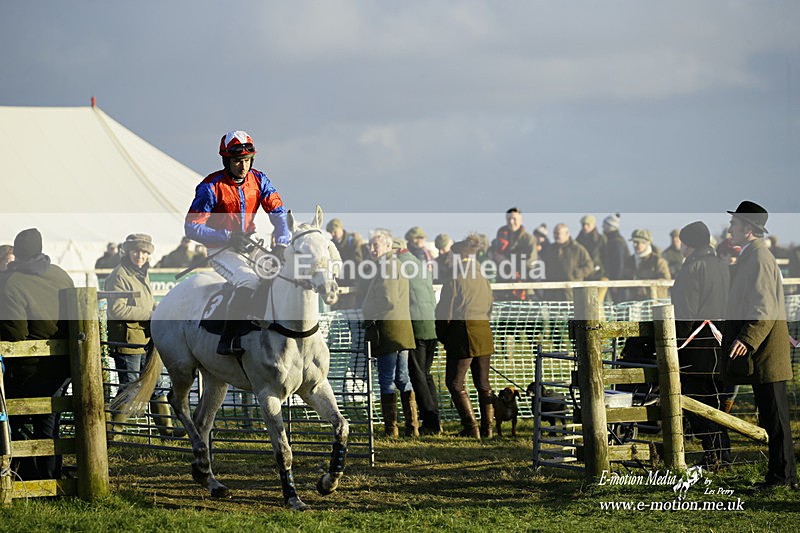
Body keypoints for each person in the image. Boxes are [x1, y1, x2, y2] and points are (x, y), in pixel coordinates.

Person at [185, 130, 291, 356]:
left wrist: (282, 243)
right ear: (226, 161)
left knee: (281, 275)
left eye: (246, 161)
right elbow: (191, 227)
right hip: (220, 250)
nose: (243, 167)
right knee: (249, 281)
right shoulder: (210, 186)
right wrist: (227, 236)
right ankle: (227, 339)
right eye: (236, 161)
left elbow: (279, 213)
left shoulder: (260, 180)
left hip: (250, 244)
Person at [722, 201, 797, 489]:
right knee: (772, 419)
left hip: (766, 353)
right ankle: (783, 477)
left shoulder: (759, 259)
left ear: (749, 230)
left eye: (735, 224)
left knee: (776, 421)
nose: (730, 229)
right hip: (764, 354)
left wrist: (746, 339)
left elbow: (764, 308)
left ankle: (782, 478)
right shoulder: (751, 257)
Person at [0, 228, 74, 480]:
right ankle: (50, 476)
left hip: (27, 369)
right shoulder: (61, 275)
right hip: (63, 366)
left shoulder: (13, 283)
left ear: (17, 253)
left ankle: (21, 473)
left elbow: (16, 331)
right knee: (49, 423)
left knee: (13, 419)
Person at [104, 234, 182, 438]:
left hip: (148, 339)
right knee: (130, 387)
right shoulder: (119, 275)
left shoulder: (141, 273)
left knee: (156, 386)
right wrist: (151, 315)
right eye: (136, 251)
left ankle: (167, 431)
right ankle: (113, 433)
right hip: (129, 341)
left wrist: (159, 310)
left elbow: (146, 303)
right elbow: (117, 310)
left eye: (145, 252)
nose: (140, 256)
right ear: (127, 251)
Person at [671, 221, 731, 468]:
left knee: (698, 399)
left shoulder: (692, 268)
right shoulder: (721, 265)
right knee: (715, 400)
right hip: (719, 341)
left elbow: (686, 312)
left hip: (696, 344)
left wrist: (674, 346)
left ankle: (712, 455)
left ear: (689, 244)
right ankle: (722, 453)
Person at [436, 234, 495, 439]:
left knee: (455, 383)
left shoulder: (455, 277)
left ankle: (471, 427)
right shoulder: (482, 276)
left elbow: (445, 312)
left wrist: (442, 336)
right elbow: (490, 307)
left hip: (463, 334)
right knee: (483, 384)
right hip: (484, 332)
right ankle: (488, 429)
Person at [362, 229, 417, 438]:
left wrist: (368, 312)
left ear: (387, 246)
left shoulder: (386, 266)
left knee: (387, 379)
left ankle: (391, 428)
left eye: (376, 245)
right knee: (403, 378)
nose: (372, 249)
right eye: (371, 245)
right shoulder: (393, 264)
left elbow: (388, 299)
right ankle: (411, 427)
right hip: (401, 331)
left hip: (389, 330)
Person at [394, 238, 441, 435]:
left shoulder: (398, 265)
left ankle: (430, 422)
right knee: (426, 374)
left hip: (417, 326)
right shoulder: (419, 264)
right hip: (431, 325)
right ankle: (435, 419)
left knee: (417, 375)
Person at [489, 208, 537, 300]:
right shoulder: (501, 235)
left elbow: (531, 262)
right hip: (502, 283)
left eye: (514, 219)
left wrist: (507, 262)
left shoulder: (528, 239)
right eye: (508, 219)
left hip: (522, 285)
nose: (511, 222)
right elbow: (492, 251)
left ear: (521, 220)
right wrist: (493, 255)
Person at [541, 223, 594, 301]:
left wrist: (578, 273)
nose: (556, 236)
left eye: (558, 233)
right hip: (553, 292)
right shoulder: (550, 249)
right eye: (554, 233)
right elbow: (544, 266)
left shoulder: (577, 249)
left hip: (570, 292)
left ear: (567, 234)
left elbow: (589, 265)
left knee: (571, 313)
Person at [327, 218, 366, 310]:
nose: (333, 234)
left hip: (351, 285)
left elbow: (358, 263)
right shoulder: (331, 244)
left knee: (349, 312)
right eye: (330, 232)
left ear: (341, 228)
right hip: (337, 284)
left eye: (334, 231)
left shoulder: (353, 242)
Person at [623, 228, 671, 301]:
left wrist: (646, 290)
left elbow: (666, 281)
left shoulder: (658, 261)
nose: (635, 245)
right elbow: (624, 278)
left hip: (655, 302)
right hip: (634, 303)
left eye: (638, 242)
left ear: (647, 243)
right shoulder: (629, 261)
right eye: (634, 242)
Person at [600, 214, 629, 302]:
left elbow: (619, 264)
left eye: (604, 225)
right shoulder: (613, 241)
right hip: (617, 281)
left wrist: (616, 282)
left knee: (619, 306)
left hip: (618, 282)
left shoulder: (616, 242)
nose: (602, 228)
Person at [575, 214, 605, 280]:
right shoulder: (578, 241)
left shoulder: (601, 239)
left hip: (598, 274)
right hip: (582, 274)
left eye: (588, 224)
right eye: (583, 225)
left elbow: (606, 257)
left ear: (593, 225)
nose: (585, 227)